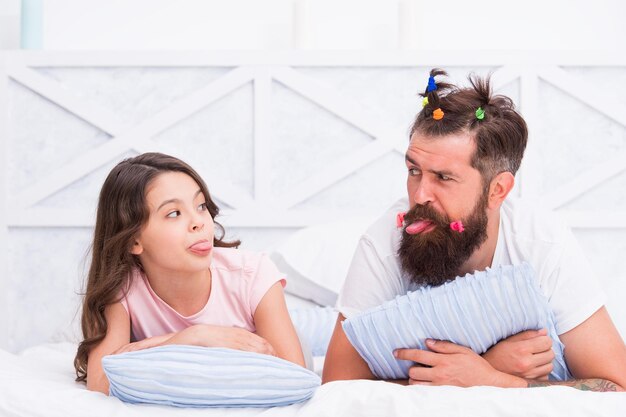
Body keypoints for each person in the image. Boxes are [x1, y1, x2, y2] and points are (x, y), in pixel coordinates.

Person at [322, 69, 626, 391]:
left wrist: (494, 380)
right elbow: (337, 387)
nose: (420, 195)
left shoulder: (541, 243)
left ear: (497, 191)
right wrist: (483, 368)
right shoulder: (384, 240)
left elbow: (617, 387)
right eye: (414, 170)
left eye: (443, 177)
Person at [74, 152, 305, 394]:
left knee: (317, 324)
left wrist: (159, 342)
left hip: (287, 339)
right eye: (174, 213)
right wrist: (195, 337)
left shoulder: (253, 273)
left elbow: (295, 376)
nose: (199, 222)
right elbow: (100, 382)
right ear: (134, 241)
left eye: (201, 206)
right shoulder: (124, 288)